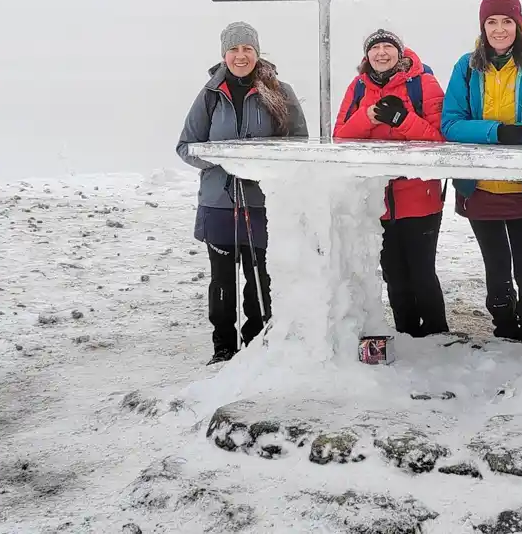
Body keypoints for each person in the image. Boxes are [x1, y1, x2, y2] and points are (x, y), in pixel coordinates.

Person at [176, 21, 308, 365]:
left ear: (257, 52)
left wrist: (263, 163)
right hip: (218, 201)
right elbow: (186, 146)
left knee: (260, 278)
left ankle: (256, 343)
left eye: (247, 49)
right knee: (222, 280)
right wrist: (223, 158)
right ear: (223, 54)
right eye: (234, 49)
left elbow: (300, 143)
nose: (240, 55)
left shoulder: (280, 91)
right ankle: (223, 347)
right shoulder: (209, 95)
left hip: (264, 202)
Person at [441, 0, 522, 345]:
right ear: (482, 26)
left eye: (507, 21)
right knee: (496, 271)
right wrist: (499, 131)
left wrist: (507, 134)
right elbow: (450, 123)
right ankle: (504, 329)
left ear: (518, 24)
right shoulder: (467, 65)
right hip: (482, 188)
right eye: (492, 22)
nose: (500, 29)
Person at [333, 28, 449, 337]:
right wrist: (368, 118)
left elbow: (440, 139)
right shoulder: (358, 87)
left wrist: (402, 120)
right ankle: (407, 337)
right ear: (366, 55)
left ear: (399, 52)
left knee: (422, 274)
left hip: (419, 196)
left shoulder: (423, 83)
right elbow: (340, 135)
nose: (381, 52)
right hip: (377, 201)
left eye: (388, 46)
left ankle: (438, 338)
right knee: (395, 277)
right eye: (375, 48)